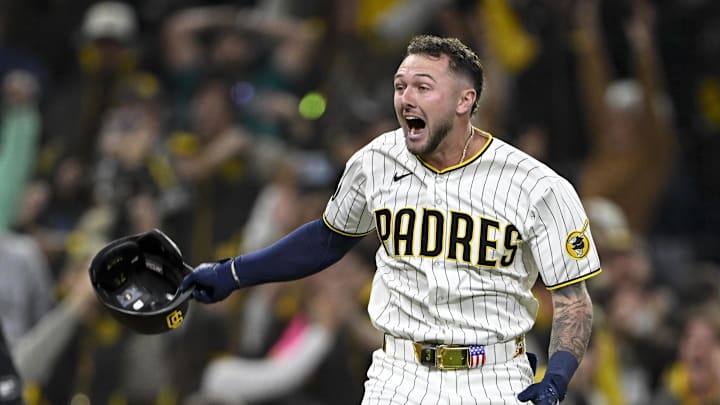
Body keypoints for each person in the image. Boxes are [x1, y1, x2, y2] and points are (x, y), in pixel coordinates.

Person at [181, 34, 601, 404]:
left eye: (423, 86)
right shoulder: (376, 160)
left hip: (493, 375)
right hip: (398, 374)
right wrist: (232, 272)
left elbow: (573, 301)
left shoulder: (538, 185)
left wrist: (559, 376)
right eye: (401, 87)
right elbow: (327, 240)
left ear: (464, 101)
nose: (406, 98)